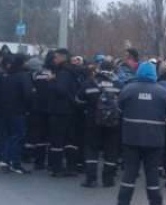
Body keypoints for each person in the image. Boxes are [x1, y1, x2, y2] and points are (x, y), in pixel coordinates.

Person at [115, 61, 166, 205]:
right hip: (155, 139)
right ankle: (156, 204)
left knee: (130, 171)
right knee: (152, 172)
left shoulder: (128, 90)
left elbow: (119, 109)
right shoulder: (163, 92)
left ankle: (123, 204)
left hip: (131, 138)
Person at [77, 60, 122, 188]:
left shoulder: (90, 83)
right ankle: (108, 180)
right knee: (111, 150)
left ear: (99, 69)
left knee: (91, 149)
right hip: (113, 123)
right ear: (113, 70)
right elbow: (123, 103)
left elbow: (78, 100)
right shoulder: (118, 84)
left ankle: (91, 179)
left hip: (93, 121)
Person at [0, 54, 34, 174]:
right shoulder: (23, 76)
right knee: (18, 136)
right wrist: (29, 105)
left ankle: (6, 161)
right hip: (19, 110)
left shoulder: (7, 75)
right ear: (22, 63)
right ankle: (15, 163)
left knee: (9, 136)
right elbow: (27, 94)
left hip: (5, 110)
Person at [48, 48, 80, 177]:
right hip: (72, 109)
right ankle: (71, 166)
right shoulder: (72, 71)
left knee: (57, 140)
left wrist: (51, 81)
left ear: (62, 57)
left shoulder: (62, 73)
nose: (54, 60)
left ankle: (57, 168)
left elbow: (60, 90)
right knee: (70, 140)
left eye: (56, 57)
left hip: (60, 110)